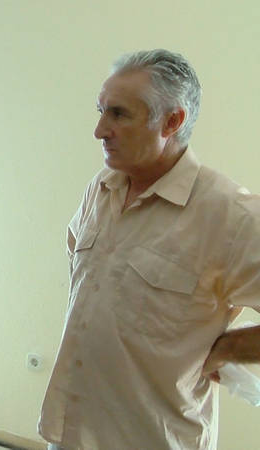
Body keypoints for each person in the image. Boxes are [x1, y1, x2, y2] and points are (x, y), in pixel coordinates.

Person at [39, 49, 260, 449]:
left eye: (119, 114)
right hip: (72, 432)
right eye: (101, 111)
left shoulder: (230, 214)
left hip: (155, 438)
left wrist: (229, 347)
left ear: (172, 121)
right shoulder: (101, 188)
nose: (100, 130)